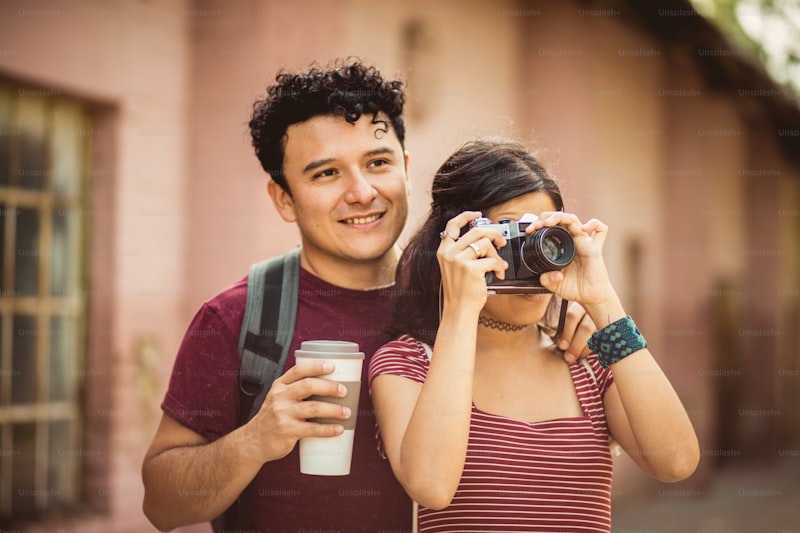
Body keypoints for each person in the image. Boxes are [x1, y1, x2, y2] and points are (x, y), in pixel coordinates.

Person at [141, 60, 594, 531]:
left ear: (405, 167)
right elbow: (162, 505)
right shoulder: (238, 318)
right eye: (325, 174)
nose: (361, 192)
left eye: (378, 163)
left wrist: (558, 317)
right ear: (283, 198)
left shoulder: (477, 293)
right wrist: (256, 438)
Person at [369, 138, 700, 533]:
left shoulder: (588, 359)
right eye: (513, 236)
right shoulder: (409, 363)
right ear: (455, 244)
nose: (534, 256)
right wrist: (459, 307)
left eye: (543, 235)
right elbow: (432, 486)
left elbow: (676, 462)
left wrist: (603, 300)